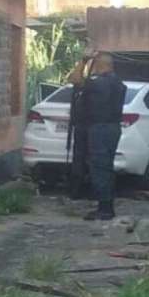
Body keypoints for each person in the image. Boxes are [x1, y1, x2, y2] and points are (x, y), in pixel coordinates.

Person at [68, 52, 126, 220]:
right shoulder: (118, 83)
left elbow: (74, 79)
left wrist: (84, 60)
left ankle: (105, 209)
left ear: (99, 65)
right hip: (113, 128)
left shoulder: (99, 82)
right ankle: (105, 205)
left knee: (99, 167)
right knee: (106, 167)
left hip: (99, 129)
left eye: (94, 65)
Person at [65, 56, 92, 200]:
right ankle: (76, 190)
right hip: (82, 127)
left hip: (91, 127)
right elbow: (72, 78)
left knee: (88, 161)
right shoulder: (83, 85)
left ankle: (85, 191)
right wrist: (84, 60)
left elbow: (75, 78)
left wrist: (84, 60)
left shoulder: (95, 84)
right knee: (79, 160)